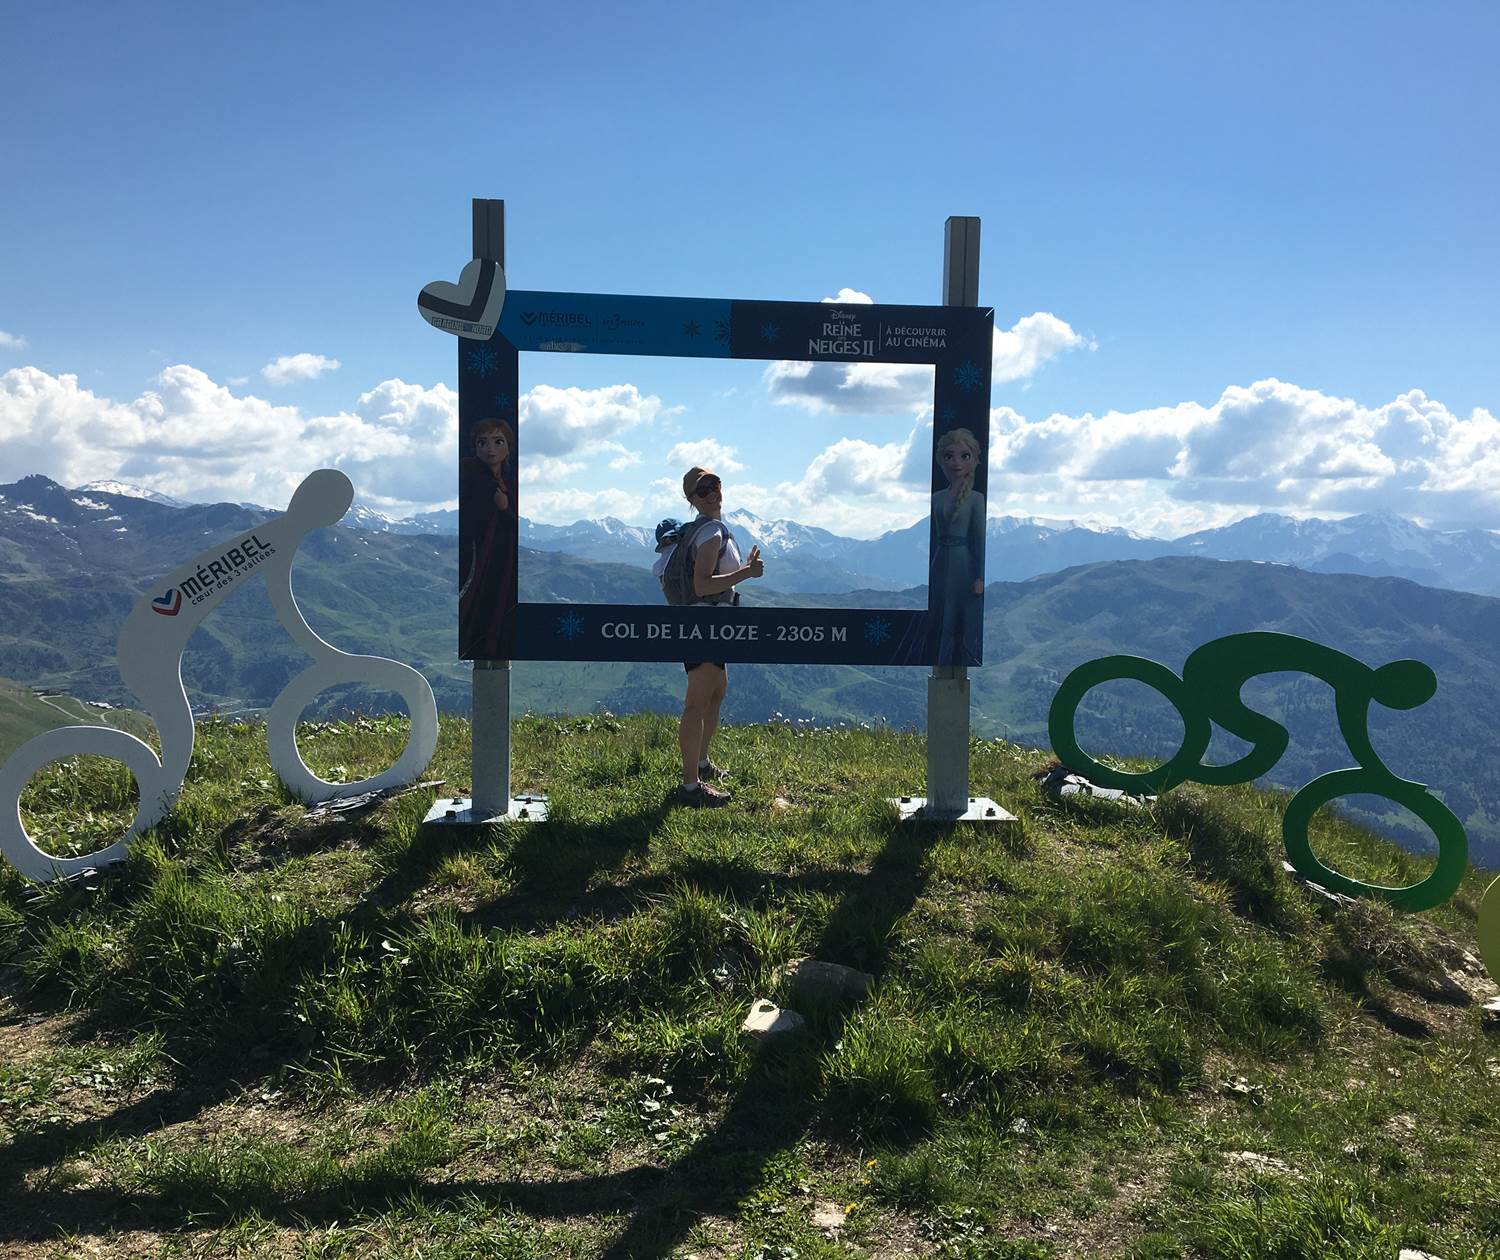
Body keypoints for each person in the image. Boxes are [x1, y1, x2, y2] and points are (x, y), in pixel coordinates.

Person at [675, 465, 763, 807]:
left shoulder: (709, 530)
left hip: (713, 623)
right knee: (697, 701)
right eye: (702, 490)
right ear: (692, 499)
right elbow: (702, 586)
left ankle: (702, 763)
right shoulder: (710, 534)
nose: (712, 493)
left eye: (714, 485)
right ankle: (690, 786)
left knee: (716, 691)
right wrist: (747, 573)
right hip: (704, 624)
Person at [458, 418, 517, 660]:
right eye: (483, 443)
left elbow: (513, 522)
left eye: (497, 442)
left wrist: (504, 508)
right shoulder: (471, 475)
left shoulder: (509, 483)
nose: (490, 449)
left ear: (508, 448)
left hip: (502, 557)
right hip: (479, 556)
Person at [930, 427, 985, 666]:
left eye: (964, 456)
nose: (956, 462)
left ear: (974, 460)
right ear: (942, 460)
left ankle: (960, 660)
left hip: (963, 564)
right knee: (941, 617)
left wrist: (980, 576)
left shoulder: (976, 499)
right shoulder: (937, 498)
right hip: (940, 562)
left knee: (960, 618)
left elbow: (979, 540)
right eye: (949, 456)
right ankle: (939, 657)